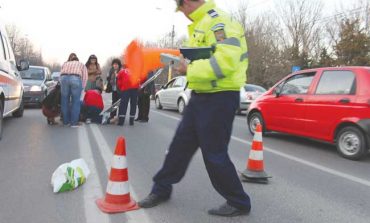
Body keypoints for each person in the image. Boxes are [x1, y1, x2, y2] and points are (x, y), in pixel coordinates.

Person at [138, 0, 251, 217]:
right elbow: (206, 57)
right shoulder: (203, 23)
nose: (182, 14)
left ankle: (239, 201)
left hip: (219, 98)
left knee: (214, 154)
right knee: (179, 147)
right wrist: (187, 63)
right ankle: (161, 189)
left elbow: (226, 63)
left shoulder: (219, 22)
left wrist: (188, 68)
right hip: (201, 97)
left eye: (181, 9)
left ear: (188, 3)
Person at [60, 53, 88, 127]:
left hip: (64, 78)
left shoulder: (65, 63)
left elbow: (61, 74)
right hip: (75, 78)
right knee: (75, 102)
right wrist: (82, 87)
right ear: (77, 60)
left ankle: (65, 122)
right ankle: (73, 123)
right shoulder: (81, 64)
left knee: (64, 101)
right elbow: (85, 77)